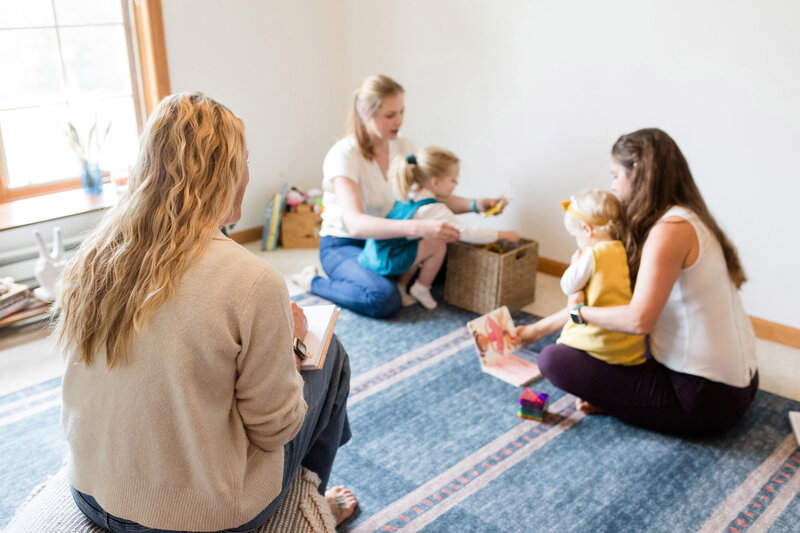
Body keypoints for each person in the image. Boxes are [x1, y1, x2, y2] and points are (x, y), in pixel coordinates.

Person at [55, 92, 357, 532]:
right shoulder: (252, 280)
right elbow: (275, 430)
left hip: (89, 492)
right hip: (196, 519)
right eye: (246, 161)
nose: (249, 175)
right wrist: (289, 345)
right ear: (225, 174)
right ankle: (309, 506)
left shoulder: (93, 255)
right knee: (331, 355)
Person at [516, 128, 758, 435]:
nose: (613, 186)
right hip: (739, 382)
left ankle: (619, 403)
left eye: (615, 175)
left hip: (707, 399)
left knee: (555, 359)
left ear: (637, 172)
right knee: (607, 339)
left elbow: (639, 320)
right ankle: (621, 399)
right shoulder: (687, 217)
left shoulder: (669, 230)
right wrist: (537, 328)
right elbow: (609, 301)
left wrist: (579, 314)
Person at [291, 74, 506, 318]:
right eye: (390, 115)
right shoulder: (344, 155)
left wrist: (476, 205)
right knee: (383, 298)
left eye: (402, 111)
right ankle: (313, 281)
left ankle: (388, 276)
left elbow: (428, 201)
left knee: (451, 263)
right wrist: (419, 228)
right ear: (365, 115)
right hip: (345, 243)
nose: (399, 121)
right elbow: (356, 224)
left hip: (391, 241)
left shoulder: (404, 148)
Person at [358, 146, 519, 310]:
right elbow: (467, 233)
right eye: (453, 180)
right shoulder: (434, 210)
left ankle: (401, 286)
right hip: (388, 257)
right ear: (435, 182)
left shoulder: (411, 191)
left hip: (378, 249)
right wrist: (503, 234)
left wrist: (476, 205)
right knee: (438, 244)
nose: (455, 185)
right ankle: (422, 287)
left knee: (423, 240)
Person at [552, 188, 645, 366]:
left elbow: (568, 286)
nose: (576, 242)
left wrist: (574, 263)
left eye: (575, 237)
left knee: (556, 351)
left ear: (587, 230)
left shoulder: (592, 255)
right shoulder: (622, 249)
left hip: (599, 338)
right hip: (626, 341)